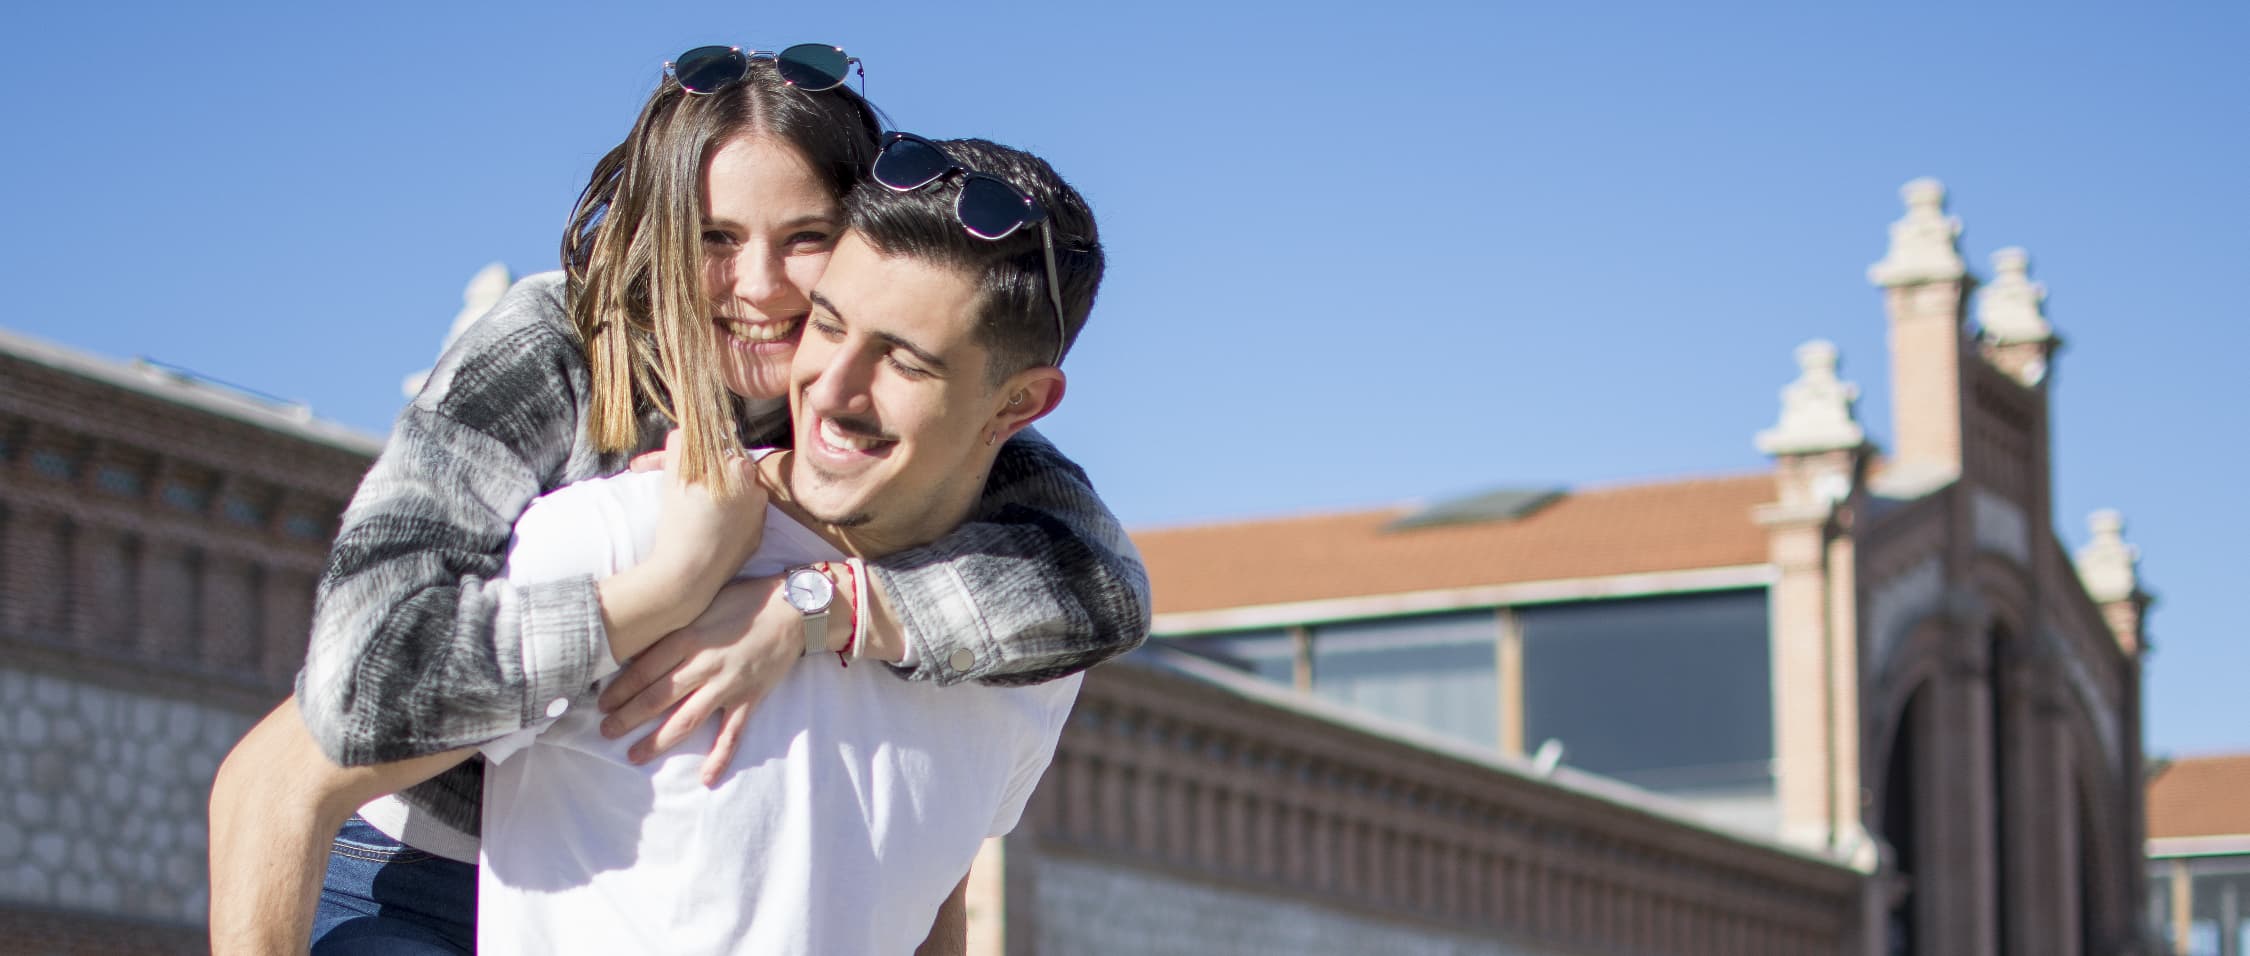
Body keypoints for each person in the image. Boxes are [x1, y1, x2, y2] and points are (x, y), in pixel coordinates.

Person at [209, 45, 1146, 953]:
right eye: (715, 239)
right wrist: (670, 587)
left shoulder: (907, 417)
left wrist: (812, 606)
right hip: (411, 866)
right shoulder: (556, 354)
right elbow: (344, 703)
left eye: (807, 239)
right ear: (659, 237)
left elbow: (1099, 591)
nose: (760, 288)